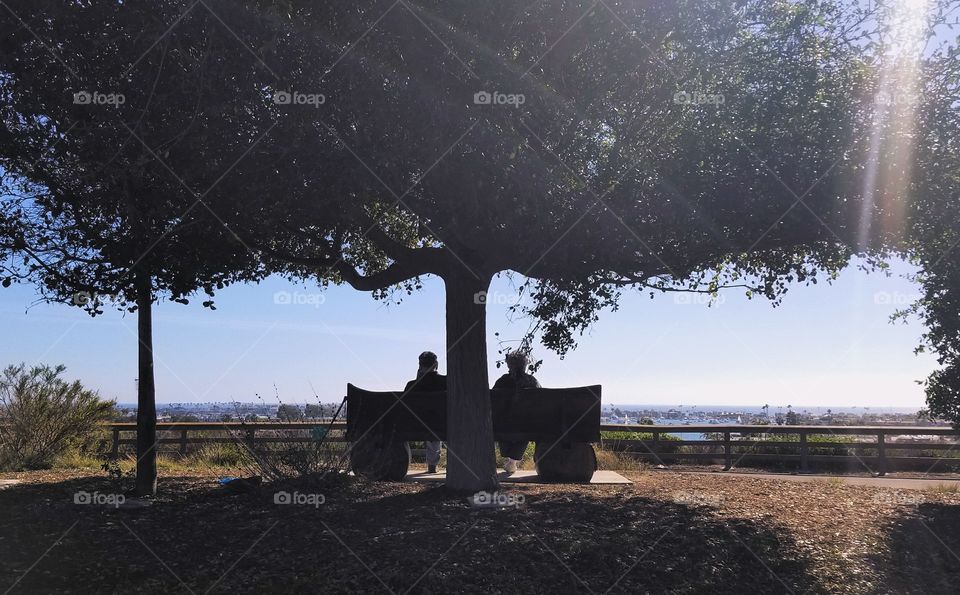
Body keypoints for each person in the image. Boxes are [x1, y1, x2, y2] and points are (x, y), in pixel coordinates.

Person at [494, 350, 540, 473]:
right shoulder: (532, 381)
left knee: (504, 425)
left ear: (509, 365)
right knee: (524, 427)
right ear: (525, 365)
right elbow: (540, 401)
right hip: (525, 424)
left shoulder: (502, 381)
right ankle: (512, 461)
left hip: (503, 424)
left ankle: (511, 460)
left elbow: (493, 402)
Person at [404, 351, 446, 474]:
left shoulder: (412, 385)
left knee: (430, 424)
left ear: (420, 365)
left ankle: (431, 466)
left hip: (416, 425)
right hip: (444, 423)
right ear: (436, 364)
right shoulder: (446, 381)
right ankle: (433, 465)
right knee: (437, 424)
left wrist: (419, 378)